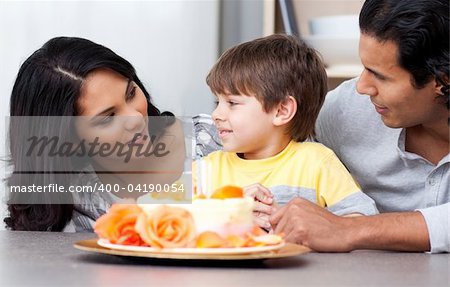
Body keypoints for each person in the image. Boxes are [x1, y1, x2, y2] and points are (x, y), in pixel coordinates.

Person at [267, 0, 449, 253]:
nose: (362, 87)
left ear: (442, 80)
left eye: (381, 76)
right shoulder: (347, 109)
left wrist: (348, 229)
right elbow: (253, 143)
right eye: (364, 67)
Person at [194, 34, 378, 229]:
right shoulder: (207, 168)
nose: (216, 114)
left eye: (232, 103)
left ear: (282, 110)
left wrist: (290, 222)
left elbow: (363, 221)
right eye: (217, 102)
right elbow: (160, 209)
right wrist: (225, 212)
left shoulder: (316, 162)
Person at [4, 36, 185, 232]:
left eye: (131, 93)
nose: (135, 119)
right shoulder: (73, 205)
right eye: (108, 118)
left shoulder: (213, 140)